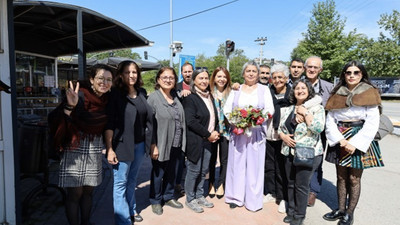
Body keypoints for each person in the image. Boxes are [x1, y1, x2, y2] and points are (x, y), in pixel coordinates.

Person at [51, 64, 113, 225]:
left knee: (88, 192)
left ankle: (86, 222)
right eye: (100, 78)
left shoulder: (107, 100)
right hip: (74, 147)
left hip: (94, 148)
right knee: (74, 194)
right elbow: (54, 119)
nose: (104, 82)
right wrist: (69, 106)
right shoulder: (80, 95)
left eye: (108, 79)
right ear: (92, 79)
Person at [323, 61, 383, 225]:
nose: (352, 75)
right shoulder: (337, 93)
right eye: (348, 72)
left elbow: (372, 122)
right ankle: (340, 209)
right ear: (344, 75)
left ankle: (350, 213)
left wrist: (355, 143)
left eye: (356, 72)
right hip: (340, 136)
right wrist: (340, 139)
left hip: (359, 135)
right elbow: (330, 120)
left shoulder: (370, 92)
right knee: (341, 177)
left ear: (361, 74)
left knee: (354, 179)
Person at [105, 60, 153, 224]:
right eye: (127, 72)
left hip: (139, 145)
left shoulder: (141, 92)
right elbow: (109, 124)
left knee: (132, 180)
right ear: (120, 74)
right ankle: (122, 219)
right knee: (120, 183)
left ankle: (131, 209)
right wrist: (109, 148)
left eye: (134, 72)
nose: (131, 75)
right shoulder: (114, 94)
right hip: (122, 145)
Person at [223, 61, 275, 212]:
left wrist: (255, 120)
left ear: (258, 74)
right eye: (248, 71)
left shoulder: (264, 90)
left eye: (254, 71)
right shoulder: (236, 90)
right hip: (238, 131)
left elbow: (269, 109)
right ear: (243, 73)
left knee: (255, 166)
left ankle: (253, 200)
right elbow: (227, 110)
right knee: (236, 164)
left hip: (256, 132)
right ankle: (235, 197)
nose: (251, 73)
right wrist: (238, 121)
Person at [278, 79, 325, 225]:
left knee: (302, 185)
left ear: (309, 91)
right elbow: (280, 128)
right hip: (288, 151)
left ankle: (299, 215)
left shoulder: (317, 108)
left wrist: (305, 113)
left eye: (303, 88)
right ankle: (291, 211)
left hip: (307, 152)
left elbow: (318, 128)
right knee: (291, 183)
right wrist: (283, 136)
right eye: (297, 88)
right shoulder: (289, 108)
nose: (300, 91)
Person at [147, 67, 186, 215]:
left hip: (176, 142)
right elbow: (149, 125)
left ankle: (168, 196)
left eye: (171, 77)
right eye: (164, 77)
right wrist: (153, 145)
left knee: (171, 172)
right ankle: (155, 200)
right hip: (161, 143)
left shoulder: (175, 96)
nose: (168, 80)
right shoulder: (154, 98)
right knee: (158, 173)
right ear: (158, 80)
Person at [182, 68, 219, 213]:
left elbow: (214, 116)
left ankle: (199, 195)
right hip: (196, 140)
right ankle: (190, 198)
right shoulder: (190, 98)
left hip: (208, 141)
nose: (204, 81)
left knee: (204, 170)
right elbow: (190, 121)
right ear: (194, 80)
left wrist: (215, 131)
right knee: (194, 170)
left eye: (206, 78)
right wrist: (208, 133)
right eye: (200, 78)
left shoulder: (209, 96)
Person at [304, 56, 333, 207]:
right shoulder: (298, 84)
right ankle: (300, 189)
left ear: (320, 70)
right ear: (305, 68)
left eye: (315, 67)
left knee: (317, 161)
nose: (312, 70)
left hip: (320, 130)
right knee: (299, 160)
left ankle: (313, 191)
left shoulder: (329, 87)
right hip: (300, 131)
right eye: (309, 66)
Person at [263, 63, 291, 213]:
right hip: (269, 134)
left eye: (280, 77)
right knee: (269, 166)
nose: (277, 80)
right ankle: (271, 192)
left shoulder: (292, 94)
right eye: (274, 77)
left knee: (282, 168)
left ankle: (283, 197)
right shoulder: (267, 93)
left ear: (286, 78)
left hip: (285, 137)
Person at [208, 66, 232, 199]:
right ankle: (211, 183)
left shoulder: (232, 92)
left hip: (227, 131)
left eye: (224, 76)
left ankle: (221, 183)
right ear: (214, 78)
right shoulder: (209, 92)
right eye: (219, 76)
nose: (222, 79)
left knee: (224, 159)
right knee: (211, 159)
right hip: (212, 131)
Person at [175, 62, 194, 195]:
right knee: (180, 159)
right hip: (180, 128)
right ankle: (177, 184)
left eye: (189, 71)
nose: (187, 74)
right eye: (185, 71)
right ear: (181, 73)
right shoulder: (176, 87)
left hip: (194, 129)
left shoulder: (199, 84)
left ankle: (191, 184)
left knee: (192, 158)